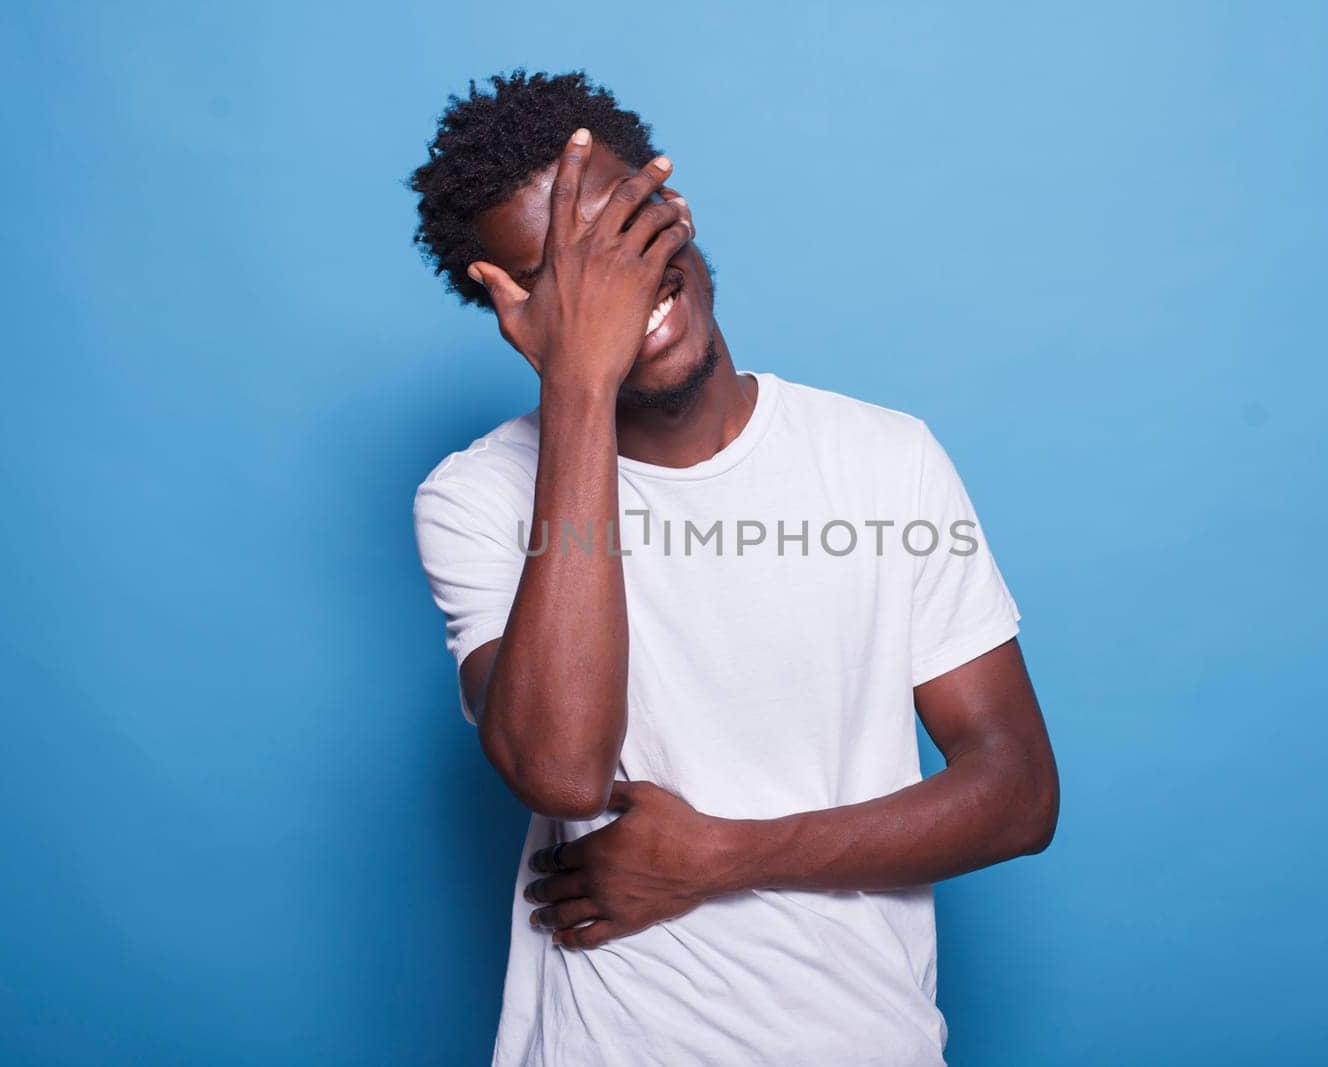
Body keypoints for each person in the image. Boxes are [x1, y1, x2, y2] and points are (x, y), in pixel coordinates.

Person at [409, 69, 1059, 1067]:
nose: (608, 293)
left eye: (614, 241)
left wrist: (720, 853)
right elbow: (562, 765)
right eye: (560, 280)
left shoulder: (884, 457)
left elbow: (1016, 793)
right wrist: (581, 380)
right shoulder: (475, 496)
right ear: (516, 315)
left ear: (672, 211)